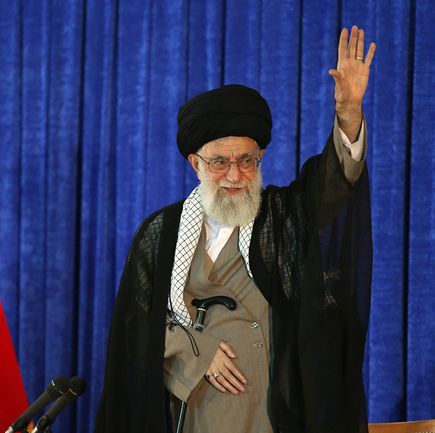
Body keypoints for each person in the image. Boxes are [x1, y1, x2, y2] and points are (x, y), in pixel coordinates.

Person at [95, 26, 376, 433]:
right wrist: (196, 353)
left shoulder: (283, 215)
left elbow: (333, 187)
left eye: (247, 161)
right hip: (198, 413)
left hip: (272, 411)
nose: (235, 175)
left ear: (260, 157)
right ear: (195, 163)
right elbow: (134, 328)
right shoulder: (161, 232)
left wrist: (348, 115)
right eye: (219, 163)